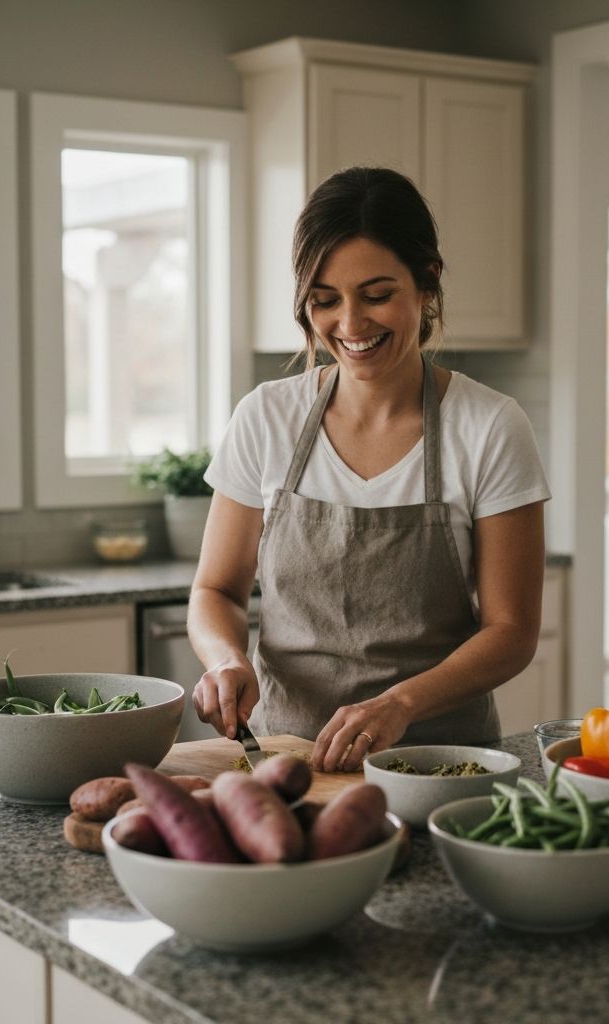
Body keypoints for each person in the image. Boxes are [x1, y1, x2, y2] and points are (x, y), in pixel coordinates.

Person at [188, 166, 550, 772]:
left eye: (377, 295)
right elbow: (215, 590)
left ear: (427, 283)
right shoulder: (265, 418)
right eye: (325, 301)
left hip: (438, 766)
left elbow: (512, 631)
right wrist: (226, 659)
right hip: (283, 760)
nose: (350, 325)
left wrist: (398, 704)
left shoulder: (489, 427)